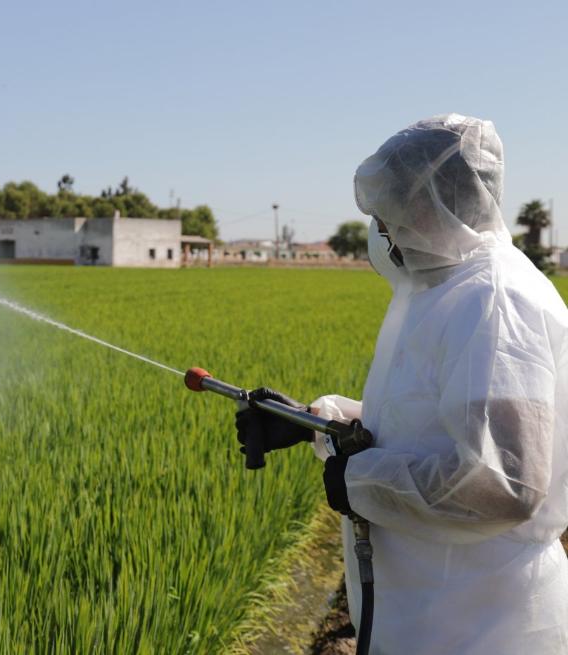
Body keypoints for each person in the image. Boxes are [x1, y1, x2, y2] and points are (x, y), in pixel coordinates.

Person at [236, 114, 568, 653]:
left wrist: (360, 482)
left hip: (482, 624)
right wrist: (315, 423)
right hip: (430, 612)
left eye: (389, 213)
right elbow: (426, 427)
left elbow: (504, 482)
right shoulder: (445, 292)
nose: (382, 231)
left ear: (429, 204)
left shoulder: (494, 299)